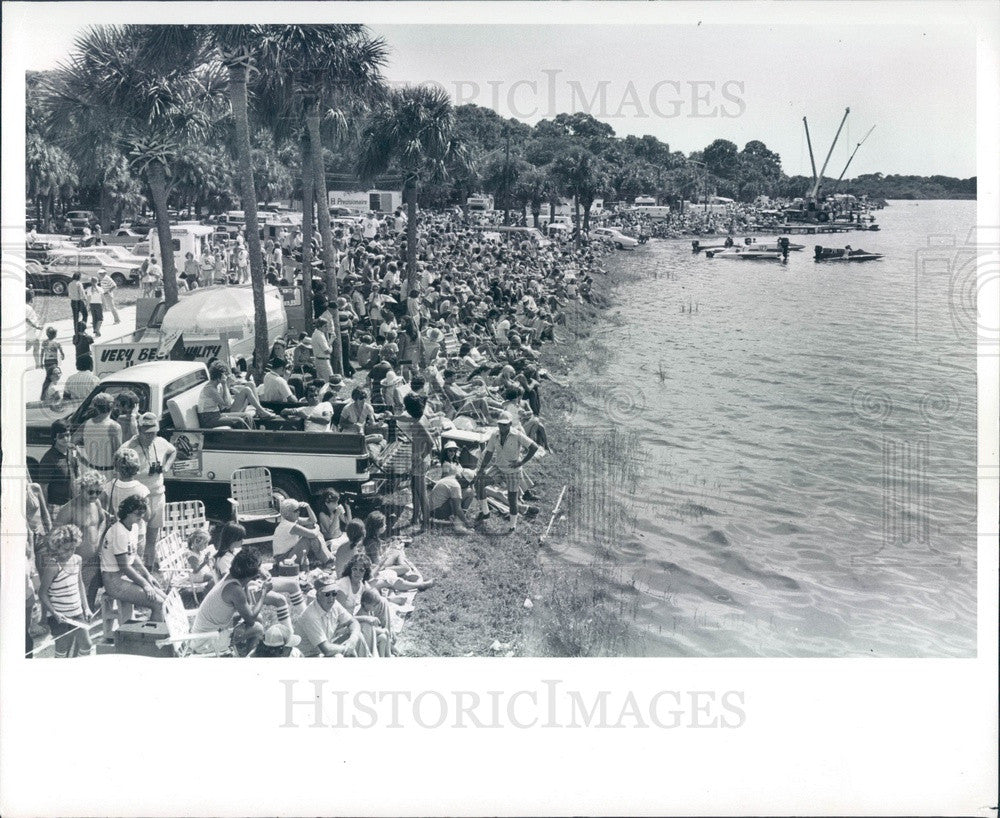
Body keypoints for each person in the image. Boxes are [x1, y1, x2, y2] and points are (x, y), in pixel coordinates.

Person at [191, 549, 291, 655]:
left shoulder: (231, 577)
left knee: (259, 618)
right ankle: (250, 658)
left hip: (205, 633)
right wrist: (263, 593)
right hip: (208, 641)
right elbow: (250, 620)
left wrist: (256, 575)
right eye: (259, 567)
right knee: (257, 628)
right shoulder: (235, 590)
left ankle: (249, 652)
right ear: (251, 573)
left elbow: (248, 606)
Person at [99, 494, 166, 623]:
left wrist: (147, 576)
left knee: (165, 598)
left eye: (143, 513)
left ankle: (161, 635)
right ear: (127, 512)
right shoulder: (119, 532)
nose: (141, 517)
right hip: (113, 581)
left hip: (122, 576)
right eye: (138, 514)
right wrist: (145, 585)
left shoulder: (134, 527)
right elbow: (124, 566)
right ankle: (151, 640)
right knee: (158, 604)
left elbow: (133, 555)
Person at [124, 412, 176, 567]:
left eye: (153, 434)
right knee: (136, 539)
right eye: (147, 434)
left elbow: (173, 451)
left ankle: (149, 570)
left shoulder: (160, 442)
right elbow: (119, 468)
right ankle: (135, 571)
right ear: (139, 430)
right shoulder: (129, 447)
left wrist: (166, 466)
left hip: (158, 496)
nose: (150, 437)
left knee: (152, 538)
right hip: (139, 499)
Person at [476, 411, 539, 532]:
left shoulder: (517, 435)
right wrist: (481, 470)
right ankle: (485, 512)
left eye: (505, 425)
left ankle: (512, 526)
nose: (502, 427)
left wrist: (521, 462)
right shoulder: (495, 434)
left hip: (513, 471)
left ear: (510, 424)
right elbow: (489, 453)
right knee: (479, 483)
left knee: (512, 499)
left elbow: (534, 447)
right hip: (498, 468)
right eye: (500, 424)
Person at [38, 524, 94, 658]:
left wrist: (86, 608)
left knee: (87, 644)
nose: (70, 552)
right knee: (62, 648)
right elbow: (42, 593)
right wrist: (54, 613)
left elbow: (80, 583)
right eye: (66, 549)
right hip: (60, 616)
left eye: (73, 548)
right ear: (57, 547)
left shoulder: (77, 560)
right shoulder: (53, 566)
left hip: (77, 612)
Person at [294, 573, 367, 657]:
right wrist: (348, 648)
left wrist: (353, 639)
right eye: (327, 594)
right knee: (338, 657)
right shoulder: (310, 615)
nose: (331, 597)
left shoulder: (334, 604)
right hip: (309, 656)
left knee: (358, 636)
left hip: (324, 648)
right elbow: (326, 649)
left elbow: (353, 622)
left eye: (334, 593)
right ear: (318, 595)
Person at [197, 361, 278, 428]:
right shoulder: (210, 389)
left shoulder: (216, 385)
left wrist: (229, 387)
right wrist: (225, 384)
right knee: (241, 419)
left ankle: (254, 434)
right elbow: (227, 404)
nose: (226, 377)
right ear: (220, 376)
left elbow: (225, 401)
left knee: (247, 416)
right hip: (208, 419)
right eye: (225, 375)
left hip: (215, 414)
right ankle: (250, 438)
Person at [398, 393, 436, 533]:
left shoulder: (418, 423)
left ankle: (426, 522)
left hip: (420, 459)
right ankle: (415, 517)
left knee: (421, 492)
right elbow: (403, 417)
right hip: (417, 458)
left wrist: (422, 456)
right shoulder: (419, 418)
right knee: (414, 489)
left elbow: (431, 443)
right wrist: (392, 417)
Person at [73, 392, 121, 475]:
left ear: (95, 407)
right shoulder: (114, 426)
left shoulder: (86, 424)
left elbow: (71, 443)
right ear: (111, 406)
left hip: (91, 471)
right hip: (109, 473)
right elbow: (119, 453)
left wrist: (82, 459)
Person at [271, 498, 324, 573]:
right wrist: (317, 527)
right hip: (284, 559)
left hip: (288, 554)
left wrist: (307, 506)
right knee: (308, 538)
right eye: (295, 511)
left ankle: (326, 558)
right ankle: (327, 560)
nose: (299, 512)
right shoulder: (288, 525)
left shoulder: (290, 520)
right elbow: (313, 534)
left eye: (299, 509)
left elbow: (313, 521)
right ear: (287, 513)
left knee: (310, 528)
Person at [37, 420, 75, 510]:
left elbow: (76, 477)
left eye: (67, 435)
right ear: (55, 437)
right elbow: (43, 487)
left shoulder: (72, 451)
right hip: (55, 506)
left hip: (72, 504)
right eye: (61, 436)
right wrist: (44, 511)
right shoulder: (49, 459)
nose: (66, 439)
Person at [429, 463, 476, 532]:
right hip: (438, 511)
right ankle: (458, 523)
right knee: (469, 493)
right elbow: (457, 508)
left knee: (465, 493)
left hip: (433, 510)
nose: (468, 485)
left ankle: (458, 518)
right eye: (468, 483)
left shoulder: (451, 478)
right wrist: (467, 523)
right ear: (464, 481)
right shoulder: (455, 486)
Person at [26, 291, 43, 367]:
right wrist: (37, 326)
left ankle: (38, 364)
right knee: (36, 347)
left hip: (28, 331)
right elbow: (27, 320)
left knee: (29, 346)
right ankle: (38, 364)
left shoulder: (24, 307)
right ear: (30, 298)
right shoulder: (28, 308)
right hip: (31, 331)